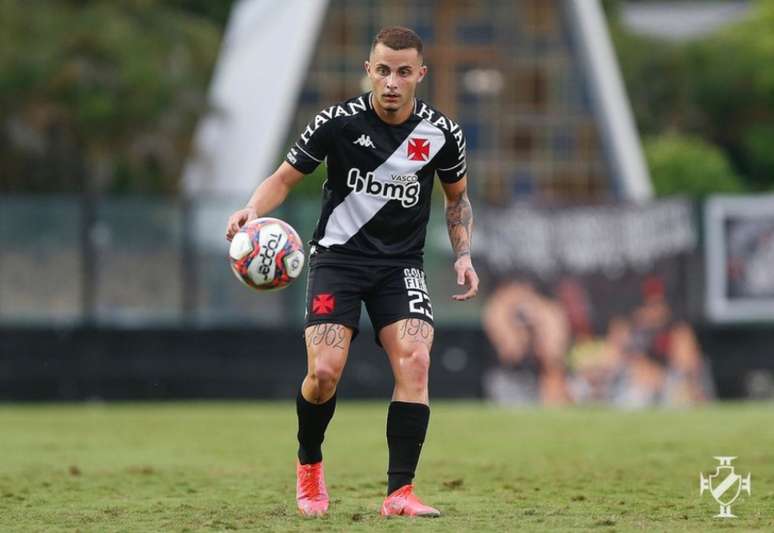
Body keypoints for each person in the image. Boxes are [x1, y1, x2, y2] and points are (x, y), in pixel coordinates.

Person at [225, 26, 478, 518]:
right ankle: (309, 463)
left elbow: (457, 200)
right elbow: (283, 178)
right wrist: (252, 209)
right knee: (322, 374)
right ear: (369, 70)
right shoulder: (336, 123)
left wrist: (464, 254)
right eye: (382, 70)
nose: (391, 82)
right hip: (337, 260)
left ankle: (399, 493)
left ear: (419, 75)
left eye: (403, 72)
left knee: (417, 360)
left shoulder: (443, 133)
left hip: (400, 265)